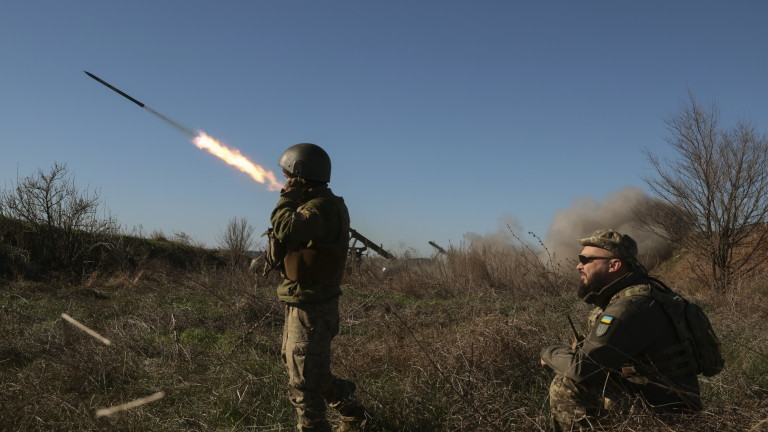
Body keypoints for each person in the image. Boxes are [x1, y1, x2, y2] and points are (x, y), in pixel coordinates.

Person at [540, 229, 702, 431]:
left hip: (663, 415)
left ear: (615, 265)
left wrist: (548, 352)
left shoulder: (631, 307)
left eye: (586, 259)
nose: (578, 265)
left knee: (567, 382)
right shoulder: (644, 294)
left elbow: (582, 369)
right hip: (671, 402)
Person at [270, 143, 368, 432]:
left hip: (313, 305)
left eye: (289, 176)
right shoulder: (318, 203)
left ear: (300, 176)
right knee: (302, 367)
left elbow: (286, 228)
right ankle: (353, 412)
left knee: (303, 383)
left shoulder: (320, 207)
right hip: (304, 301)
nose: (284, 181)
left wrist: (286, 200)